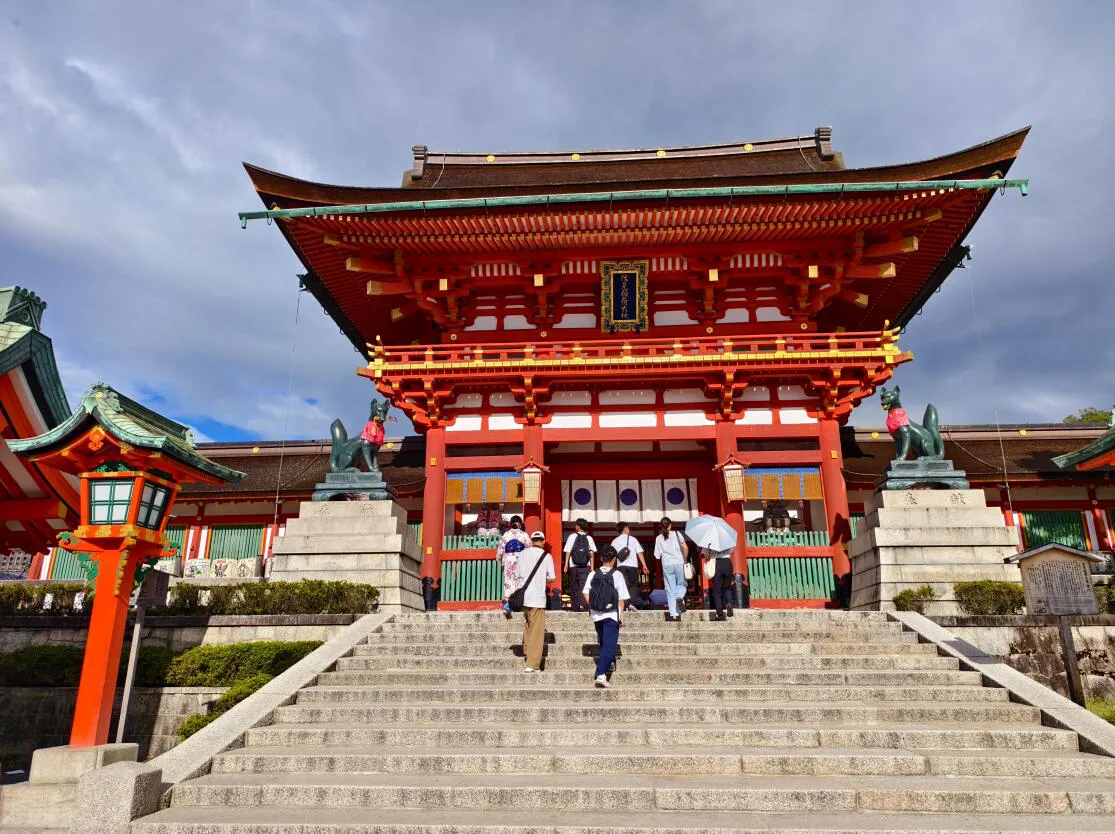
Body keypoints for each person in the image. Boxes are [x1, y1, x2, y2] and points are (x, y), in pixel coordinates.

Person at [582, 544, 629, 688]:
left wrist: (595, 606)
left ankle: (606, 665)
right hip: (611, 614)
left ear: (601, 558)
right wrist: (621, 616)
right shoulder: (617, 574)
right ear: (614, 559)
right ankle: (601, 674)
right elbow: (621, 598)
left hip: (597, 615)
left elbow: (585, 592)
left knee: (604, 642)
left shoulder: (592, 573)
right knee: (610, 645)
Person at [516, 530, 555, 673]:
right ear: (543, 541)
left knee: (528, 626)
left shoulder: (522, 554)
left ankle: (527, 652)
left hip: (524, 597)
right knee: (537, 632)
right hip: (538, 598)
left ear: (532, 541)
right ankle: (532, 664)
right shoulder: (546, 556)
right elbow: (551, 578)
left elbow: (517, 574)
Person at [654, 517, 689, 622]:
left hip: (667, 565)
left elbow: (657, 555)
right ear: (670, 525)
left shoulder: (658, 538)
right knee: (682, 584)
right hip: (679, 562)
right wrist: (685, 559)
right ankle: (679, 596)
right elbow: (686, 548)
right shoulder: (677, 534)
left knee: (670, 589)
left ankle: (674, 614)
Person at [498, 515, 531, 617]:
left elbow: (500, 550)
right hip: (520, 559)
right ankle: (518, 604)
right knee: (519, 581)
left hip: (508, 559)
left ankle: (507, 602)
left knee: (508, 581)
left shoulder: (506, 535)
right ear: (520, 524)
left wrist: (500, 561)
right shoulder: (524, 535)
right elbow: (529, 548)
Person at [610, 521, 648, 610]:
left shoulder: (614, 541)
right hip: (633, 566)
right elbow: (639, 553)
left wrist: (611, 567)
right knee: (635, 585)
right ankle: (631, 604)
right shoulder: (633, 539)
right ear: (626, 528)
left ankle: (626, 605)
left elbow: (612, 555)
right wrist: (644, 565)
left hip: (621, 566)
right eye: (628, 527)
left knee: (624, 585)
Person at [563, 518, 597, 612]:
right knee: (584, 585)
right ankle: (584, 604)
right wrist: (592, 566)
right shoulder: (589, 538)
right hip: (585, 566)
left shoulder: (572, 536)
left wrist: (566, 564)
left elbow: (568, 551)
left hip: (573, 565)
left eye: (576, 525)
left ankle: (575, 606)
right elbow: (591, 553)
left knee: (574, 585)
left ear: (578, 526)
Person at [704, 546, 735, 621]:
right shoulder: (726, 539)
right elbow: (731, 550)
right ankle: (729, 603)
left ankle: (720, 615)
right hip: (727, 563)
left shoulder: (709, 541)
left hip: (716, 564)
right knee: (727, 587)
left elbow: (706, 556)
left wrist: (710, 555)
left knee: (717, 592)